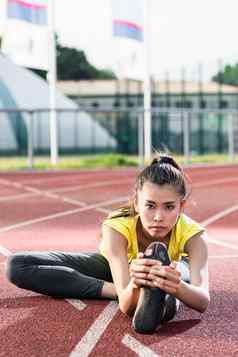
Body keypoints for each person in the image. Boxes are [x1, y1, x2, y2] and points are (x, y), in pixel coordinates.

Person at [6, 154, 210, 334]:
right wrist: (135, 283)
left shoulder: (195, 236)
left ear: (181, 206)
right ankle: (156, 296)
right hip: (118, 273)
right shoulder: (116, 227)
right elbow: (126, 305)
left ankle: (163, 291)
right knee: (17, 265)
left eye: (169, 207)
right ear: (137, 202)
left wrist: (175, 286)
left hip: (173, 274)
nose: (158, 217)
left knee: (179, 270)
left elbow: (202, 300)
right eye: (150, 205)